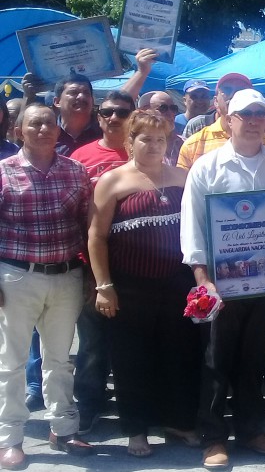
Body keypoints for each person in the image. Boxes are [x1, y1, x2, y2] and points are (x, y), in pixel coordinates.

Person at [180, 89, 265, 469]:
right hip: (221, 282)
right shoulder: (207, 166)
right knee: (216, 359)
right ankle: (213, 438)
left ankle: (252, 430)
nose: (254, 120)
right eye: (245, 114)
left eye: (260, 113)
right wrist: (203, 278)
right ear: (229, 118)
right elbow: (193, 226)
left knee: (253, 358)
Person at [87, 111, 201, 457]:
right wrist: (104, 285)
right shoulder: (113, 181)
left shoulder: (184, 177)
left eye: (160, 139)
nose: (153, 145)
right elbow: (96, 236)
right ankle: (136, 429)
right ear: (131, 141)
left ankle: (178, 421)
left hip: (177, 284)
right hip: (130, 286)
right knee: (131, 358)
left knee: (180, 354)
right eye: (145, 139)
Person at [0, 103, 94, 469]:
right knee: (12, 361)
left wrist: (89, 277)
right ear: (19, 130)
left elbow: (87, 229)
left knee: (59, 360)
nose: (43, 129)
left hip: (66, 276)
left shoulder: (76, 172)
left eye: (49, 124)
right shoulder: (4, 172)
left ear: (58, 130)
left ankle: (63, 428)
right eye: (34, 123)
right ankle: (11, 438)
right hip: (16, 277)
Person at [68, 89, 137, 433]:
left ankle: (140, 409)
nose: (114, 118)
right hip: (92, 263)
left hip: (139, 265)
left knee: (136, 341)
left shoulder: (148, 152)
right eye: (107, 112)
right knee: (93, 342)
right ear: (98, 117)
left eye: (123, 113)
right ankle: (89, 405)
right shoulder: (81, 157)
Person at [177, 74, 265, 170]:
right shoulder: (193, 145)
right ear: (216, 101)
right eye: (227, 90)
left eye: (240, 90)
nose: (233, 94)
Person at [139, 91, 184, 165]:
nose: (170, 113)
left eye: (173, 108)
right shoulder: (139, 145)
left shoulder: (185, 143)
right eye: (163, 108)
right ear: (145, 111)